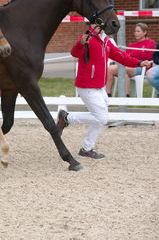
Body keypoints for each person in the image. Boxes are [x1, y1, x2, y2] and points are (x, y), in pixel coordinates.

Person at [56, 24, 152, 159]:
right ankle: (66, 117)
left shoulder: (105, 39)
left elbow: (120, 56)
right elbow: (74, 53)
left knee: (99, 119)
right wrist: (80, 44)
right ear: (91, 24)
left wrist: (139, 63)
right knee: (102, 118)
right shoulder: (86, 37)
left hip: (100, 86)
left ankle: (86, 148)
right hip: (87, 86)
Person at [106, 23, 155, 96]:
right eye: (135, 31)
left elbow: (148, 56)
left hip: (143, 67)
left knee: (115, 69)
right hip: (130, 66)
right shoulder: (131, 45)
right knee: (118, 71)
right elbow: (126, 57)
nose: (136, 33)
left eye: (138, 31)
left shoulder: (150, 43)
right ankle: (109, 94)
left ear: (145, 32)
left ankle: (124, 96)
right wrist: (138, 54)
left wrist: (134, 56)